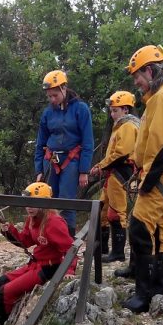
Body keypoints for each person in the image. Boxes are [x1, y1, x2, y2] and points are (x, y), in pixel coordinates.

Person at [122, 44, 163, 313]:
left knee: (138, 226)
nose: (136, 81)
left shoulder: (161, 98)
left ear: (149, 70)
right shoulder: (159, 97)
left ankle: (144, 293)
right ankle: (161, 283)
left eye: (137, 75)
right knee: (161, 227)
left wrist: (148, 182)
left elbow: (160, 147)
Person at [0, 182, 74, 325]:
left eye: (34, 203)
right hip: (35, 264)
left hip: (49, 267)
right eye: (27, 204)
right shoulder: (32, 219)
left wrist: (69, 270)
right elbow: (25, 241)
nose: (29, 207)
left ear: (44, 203)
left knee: (5, 293)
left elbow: (70, 248)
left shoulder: (54, 222)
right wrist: (9, 231)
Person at [34, 70, 94, 237]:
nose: (52, 99)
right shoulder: (48, 113)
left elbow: (88, 141)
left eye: (55, 95)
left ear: (64, 88)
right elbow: (40, 143)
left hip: (72, 160)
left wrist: (84, 171)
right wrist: (39, 170)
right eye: (49, 96)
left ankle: (67, 240)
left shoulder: (80, 109)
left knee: (67, 201)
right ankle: (50, 236)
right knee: (49, 199)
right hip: (51, 159)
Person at [89, 91, 140, 263]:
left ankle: (118, 252)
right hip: (114, 172)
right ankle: (102, 248)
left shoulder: (127, 126)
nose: (112, 114)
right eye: (111, 111)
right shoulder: (120, 126)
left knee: (116, 212)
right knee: (102, 209)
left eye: (115, 111)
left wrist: (101, 165)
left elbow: (121, 152)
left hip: (121, 171)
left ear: (125, 109)